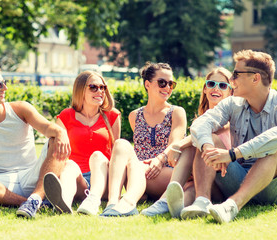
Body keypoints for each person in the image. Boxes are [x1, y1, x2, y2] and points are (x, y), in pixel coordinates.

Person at [187, 49, 277, 223]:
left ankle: (231, 206)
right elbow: (201, 123)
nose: (231, 80)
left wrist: (232, 154)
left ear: (255, 78)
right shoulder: (232, 103)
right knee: (209, 139)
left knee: (274, 149)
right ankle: (202, 201)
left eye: (236, 74)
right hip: (239, 178)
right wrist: (208, 147)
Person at [0, 63, 70, 218]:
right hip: (1, 183)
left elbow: (48, 128)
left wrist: (60, 132)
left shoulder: (21, 108)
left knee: (56, 140)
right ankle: (30, 202)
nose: (5, 88)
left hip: (33, 177)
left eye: (4, 83)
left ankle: (36, 197)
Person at [141, 67, 233, 218]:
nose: (216, 88)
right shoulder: (201, 119)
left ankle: (164, 200)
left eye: (222, 85)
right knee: (191, 186)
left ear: (230, 92)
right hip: (205, 180)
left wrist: (177, 146)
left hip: (223, 180)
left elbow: (205, 134)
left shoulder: (229, 118)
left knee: (192, 145)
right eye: (211, 84)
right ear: (205, 89)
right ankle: (176, 207)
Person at [100, 62, 187, 217]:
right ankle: (112, 202)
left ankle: (129, 203)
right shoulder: (135, 116)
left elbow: (175, 143)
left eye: (171, 84)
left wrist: (159, 160)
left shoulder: (177, 112)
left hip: (167, 172)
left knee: (135, 166)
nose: (167, 87)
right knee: (121, 144)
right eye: (162, 82)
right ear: (147, 84)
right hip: (138, 171)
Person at [43, 71, 121, 215]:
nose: (99, 91)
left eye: (102, 87)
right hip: (78, 180)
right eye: (93, 87)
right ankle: (63, 203)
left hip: (104, 178)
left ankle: (93, 201)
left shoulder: (112, 115)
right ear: (81, 90)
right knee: (70, 165)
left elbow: (118, 153)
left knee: (97, 156)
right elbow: (58, 151)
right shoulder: (66, 116)